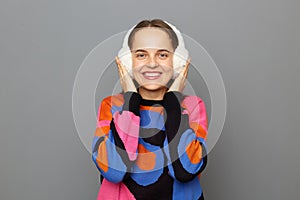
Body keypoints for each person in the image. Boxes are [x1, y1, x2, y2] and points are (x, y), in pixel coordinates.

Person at [92, 19, 208, 200]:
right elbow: (115, 171)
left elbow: (185, 171)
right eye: (141, 55)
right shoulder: (112, 106)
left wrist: (173, 100)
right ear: (126, 61)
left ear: (178, 60)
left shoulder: (192, 107)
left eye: (162, 55)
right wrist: (130, 100)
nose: (152, 64)